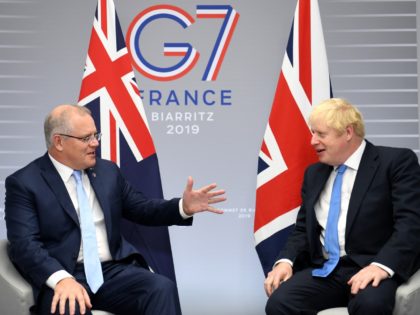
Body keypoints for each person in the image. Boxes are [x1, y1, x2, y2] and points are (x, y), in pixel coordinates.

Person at [4, 104, 226, 315]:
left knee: (160, 288)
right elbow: (25, 244)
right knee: (70, 307)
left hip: (111, 272)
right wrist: (61, 279)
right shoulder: (25, 183)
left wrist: (182, 207)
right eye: (86, 138)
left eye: (95, 135)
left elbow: (142, 209)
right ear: (59, 142)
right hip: (64, 273)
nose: (95, 143)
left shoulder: (108, 171)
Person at [264, 98, 420, 315]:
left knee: (371, 305)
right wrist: (285, 261)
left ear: (348, 132)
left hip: (371, 267)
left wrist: (381, 266)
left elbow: (410, 225)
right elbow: (302, 229)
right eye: (312, 133)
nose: (312, 141)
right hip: (327, 270)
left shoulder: (395, 162)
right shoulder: (314, 173)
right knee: (280, 302)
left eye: (320, 134)